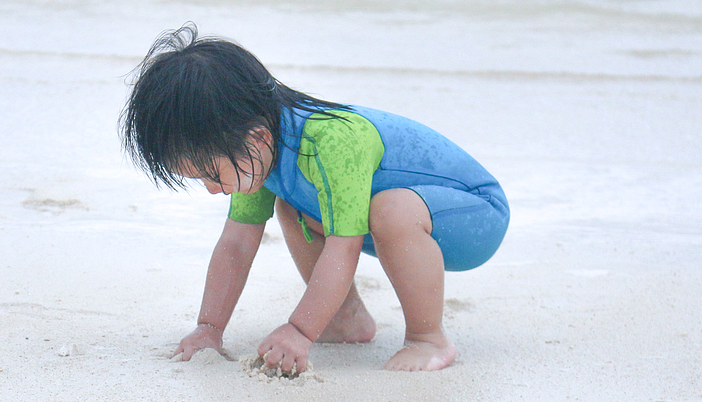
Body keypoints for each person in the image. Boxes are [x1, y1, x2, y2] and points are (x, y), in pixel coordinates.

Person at [119, 25, 509, 373]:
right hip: (398, 219)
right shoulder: (260, 159)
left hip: (474, 216)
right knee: (295, 206)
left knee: (389, 210)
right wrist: (209, 328)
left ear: (256, 138)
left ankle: (428, 338)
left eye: (211, 174)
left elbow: (345, 246)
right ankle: (344, 319)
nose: (210, 188)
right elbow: (237, 244)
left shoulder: (331, 141)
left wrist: (300, 330)